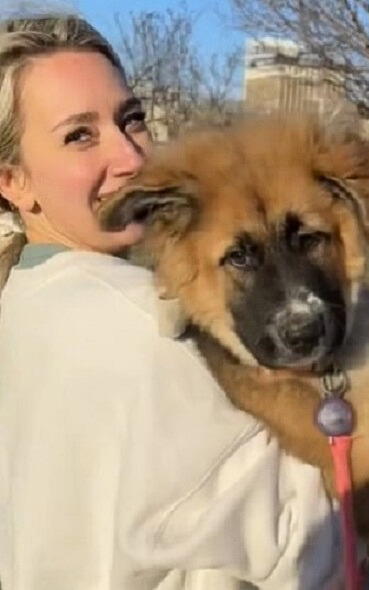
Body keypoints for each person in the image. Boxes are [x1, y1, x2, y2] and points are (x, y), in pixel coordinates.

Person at [0, 14, 343, 590]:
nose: (131, 158)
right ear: (13, 182)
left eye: (131, 119)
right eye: (79, 135)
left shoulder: (20, 304)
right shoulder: (150, 325)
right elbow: (316, 549)